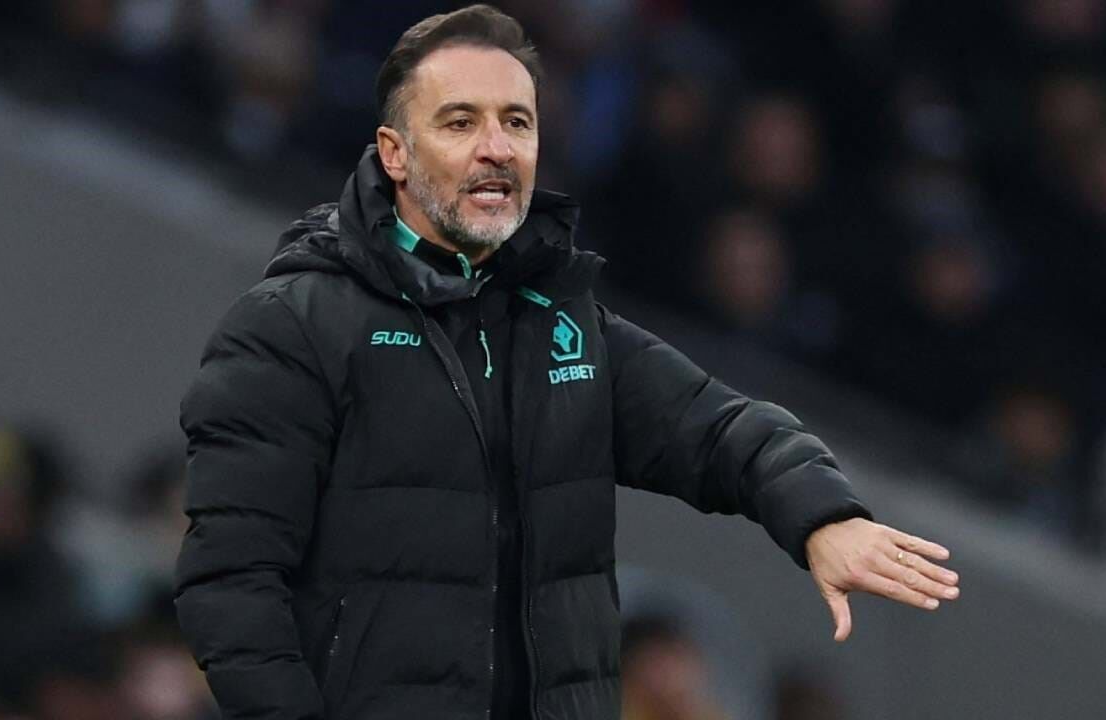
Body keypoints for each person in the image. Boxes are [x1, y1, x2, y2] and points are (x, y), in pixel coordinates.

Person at [173, 6, 960, 719]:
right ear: (395, 154)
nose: (496, 149)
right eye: (460, 122)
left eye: (517, 122)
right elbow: (231, 584)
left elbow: (722, 429)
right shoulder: (291, 327)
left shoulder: (565, 326)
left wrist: (823, 517)